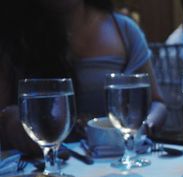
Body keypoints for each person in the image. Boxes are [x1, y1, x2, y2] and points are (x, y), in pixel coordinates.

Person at [0, 0, 167, 154]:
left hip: (115, 158)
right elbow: (4, 112)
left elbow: (157, 103)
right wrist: (11, 121)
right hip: (42, 167)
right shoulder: (16, 37)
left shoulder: (123, 29)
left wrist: (141, 128)